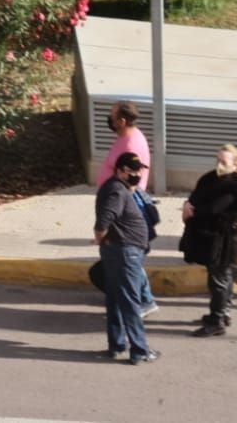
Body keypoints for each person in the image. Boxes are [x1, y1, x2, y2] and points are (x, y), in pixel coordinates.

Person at [94, 151, 159, 364]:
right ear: (120, 171)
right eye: (132, 170)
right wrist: (102, 239)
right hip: (124, 252)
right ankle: (139, 350)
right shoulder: (116, 191)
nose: (137, 174)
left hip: (119, 250)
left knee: (114, 299)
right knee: (131, 302)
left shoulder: (118, 187)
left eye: (139, 170)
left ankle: (116, 345)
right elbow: (103, 223)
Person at [181, 144, 237, 337]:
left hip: (223, 238)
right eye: (217, 160)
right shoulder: (211, 178)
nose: (219, 164)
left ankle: (217, 319)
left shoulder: (235, 185)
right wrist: (188, 205)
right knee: (222, 277)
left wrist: (192, 210)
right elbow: (195, 196)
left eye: (224, 161)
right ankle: (223, 313)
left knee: (218, 279)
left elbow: (215, 209)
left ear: (235, 164)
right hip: (210, 236)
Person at [98, 100, 157, 316]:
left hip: (124, 207)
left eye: (112, 116)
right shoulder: (124, 137)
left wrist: (116, 209)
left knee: (129, 256)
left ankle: (145, 299)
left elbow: (134, 179)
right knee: (127, 257)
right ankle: (139, 297)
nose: (110, 119)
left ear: (122, 121)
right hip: (117, 203)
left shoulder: (131, 144)